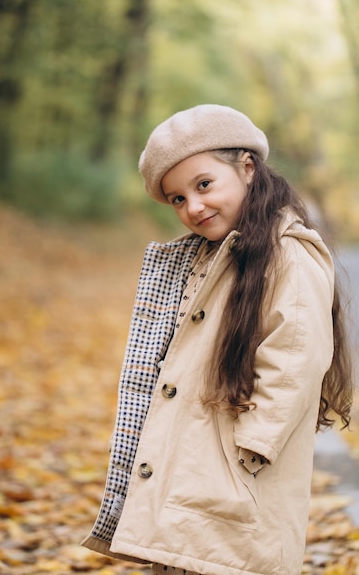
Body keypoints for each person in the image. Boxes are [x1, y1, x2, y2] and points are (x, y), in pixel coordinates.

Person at [82, 104, 352, 575]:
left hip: (236, 467)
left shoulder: (288, 252)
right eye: (178, 199)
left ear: (247, 168)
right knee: (182, 558)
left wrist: (254, 446)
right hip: (193, 463)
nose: (194, 207)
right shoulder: (211, 258)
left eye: (203, 184)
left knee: (223, 559)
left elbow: (296, 354)